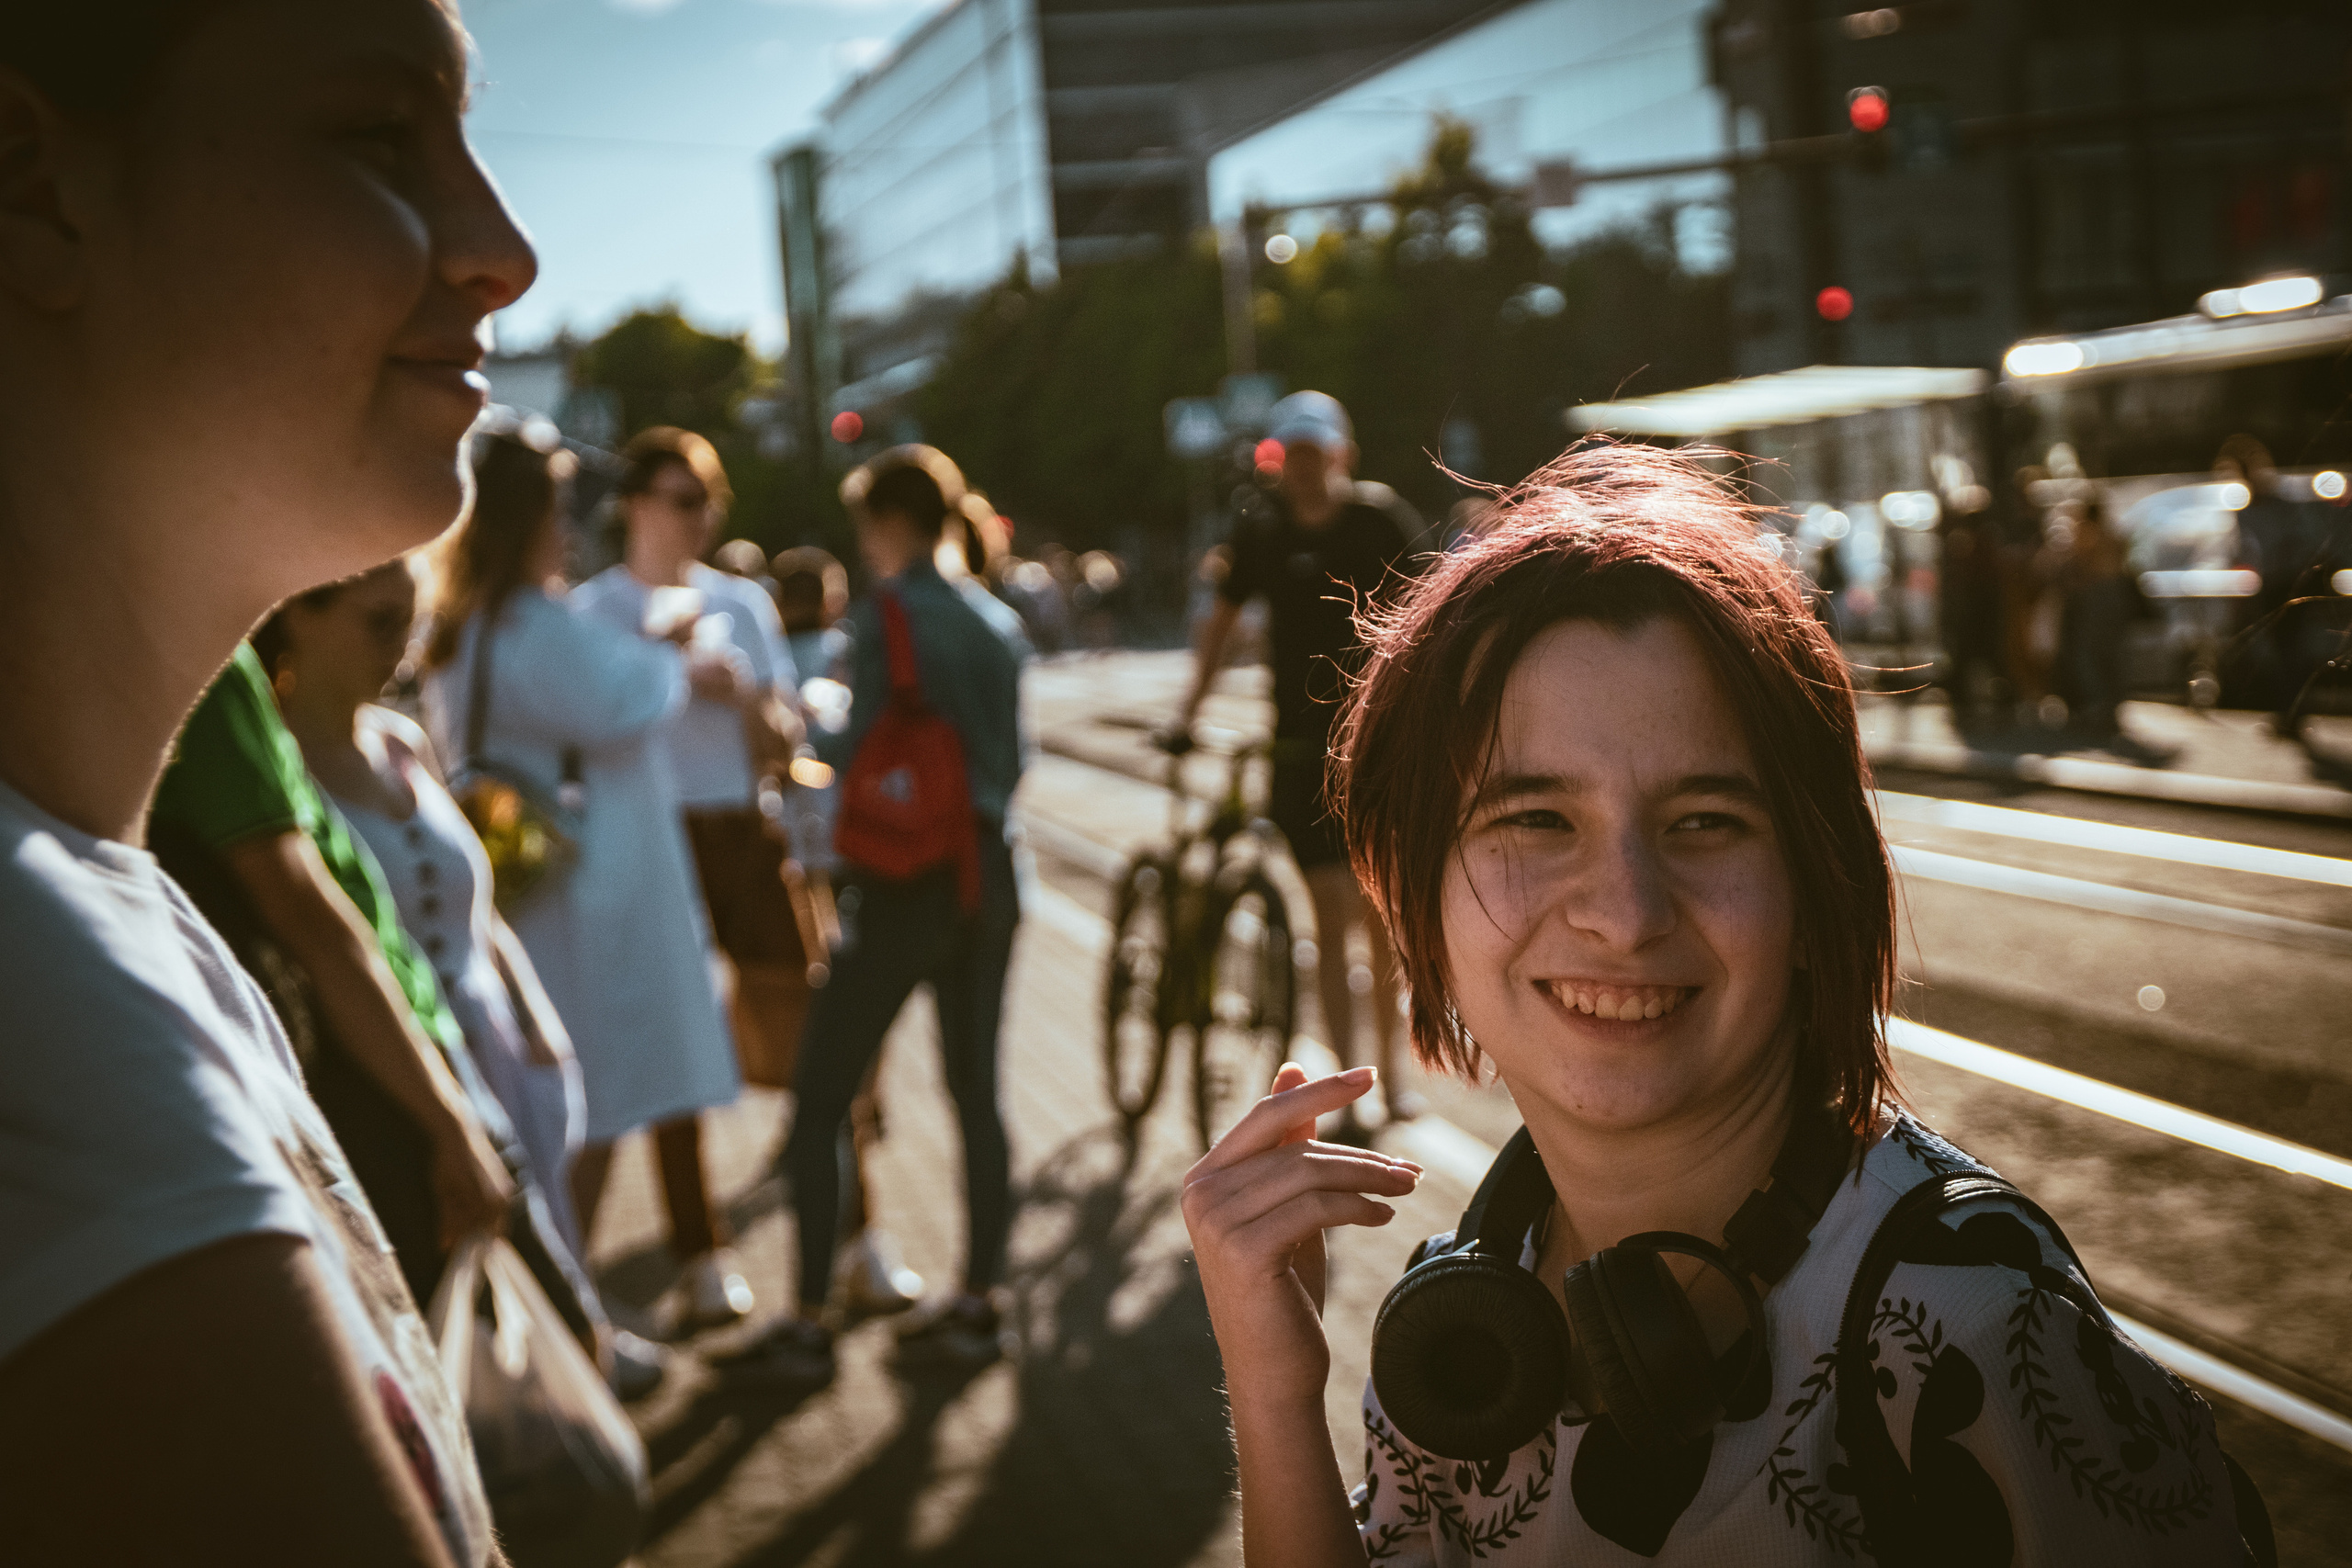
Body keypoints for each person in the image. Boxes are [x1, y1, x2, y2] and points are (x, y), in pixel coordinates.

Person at [1180, 445, 2270, 1565]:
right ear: (1415, 884)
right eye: (1535, 820)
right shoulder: (1464, 1330)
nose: (1625, 912)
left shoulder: (1983, 1325)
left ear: (1812, 881)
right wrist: (1273, 1395)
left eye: (1704, 822)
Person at [0, 2, 536, 1559]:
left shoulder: (89, 902)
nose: (502, 251)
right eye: (377, 135)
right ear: (34, 185)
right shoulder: (44, 1015)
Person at [256, 556, 671, 1399]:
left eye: (411, 623)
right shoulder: (274, 773)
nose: (400, 649)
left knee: (538, 1244)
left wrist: (535, 1017)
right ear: (297, 612)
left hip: (497, 1045)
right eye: (379, 623)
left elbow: (471, 903)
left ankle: (564, 1375)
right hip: (404, 1066)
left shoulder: (402, 742)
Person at [420, 427, 748, 1334]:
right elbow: (621, 699)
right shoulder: (527, 623)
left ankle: (576, 1311)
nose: (568, 530)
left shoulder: (470, 624)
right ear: (524, 519)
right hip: (583, 898)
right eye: (557, 511)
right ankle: (570, 1318)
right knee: (587, 1104)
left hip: (545, 888)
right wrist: (674, 655)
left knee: (578, 1103)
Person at [728, 445, 1026, 1381]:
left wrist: (793, 734)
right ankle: (979, 1303)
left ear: (891, 522)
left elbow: (852, 754)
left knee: (821, 1097)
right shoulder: (995, 620)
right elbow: (1011, 763)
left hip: (902, 886)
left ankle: (809, 1320)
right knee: (977, 1097)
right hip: (991, 875)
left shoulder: (888, 611)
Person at [571, 425, 803, 1326]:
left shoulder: (740, 602)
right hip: (647, 841)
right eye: (682, 498)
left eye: (710, 500)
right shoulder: (593, 611)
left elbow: (783, 743)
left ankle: (852, 1231)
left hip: (741, 828)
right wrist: (665, 670)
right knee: (675, 1039)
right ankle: (700, 1254)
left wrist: (741, 694)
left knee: (804, 1016)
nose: (700, 517)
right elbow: (579, 743)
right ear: (635, 505)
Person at [1174, 389, 1423, 1140]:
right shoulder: (1262, 532)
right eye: (1293, 455)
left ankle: (1393, 1072)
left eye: (1317, 454)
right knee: (1329, 912)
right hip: (1298, 753)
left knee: (1381, 916)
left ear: (1342, 455)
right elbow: (1221, 626)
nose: (1306, 469)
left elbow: (1430, 613)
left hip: (1377, 744)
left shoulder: (1380, 521)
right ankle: (1350, 1082)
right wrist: (1187, 714)